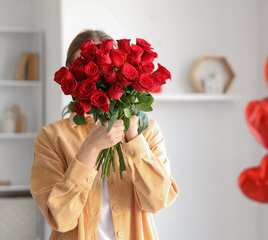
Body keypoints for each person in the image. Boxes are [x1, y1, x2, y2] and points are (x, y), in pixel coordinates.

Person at [30, 29, 179, 240]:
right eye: (85, 71)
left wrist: (134, 139)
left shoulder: (147, 131)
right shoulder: (51, 137)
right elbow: (60, 219)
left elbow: (159, 201)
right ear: (71, 79)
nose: (97, 79)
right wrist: (90, 149)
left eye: (106, 70)